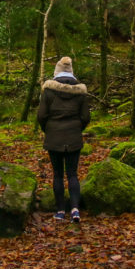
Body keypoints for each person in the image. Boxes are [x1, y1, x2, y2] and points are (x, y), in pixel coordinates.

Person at [37, 56, 90, 223]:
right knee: (73, 174)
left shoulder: (49, 91)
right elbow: (85, 117)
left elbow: (41, 116)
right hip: (74, 136)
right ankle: (75, 210)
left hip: (54, 137)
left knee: (58, 174)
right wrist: (77, 128)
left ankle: (60, 211)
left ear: (57, 72)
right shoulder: (80, 92)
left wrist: (48, 129)